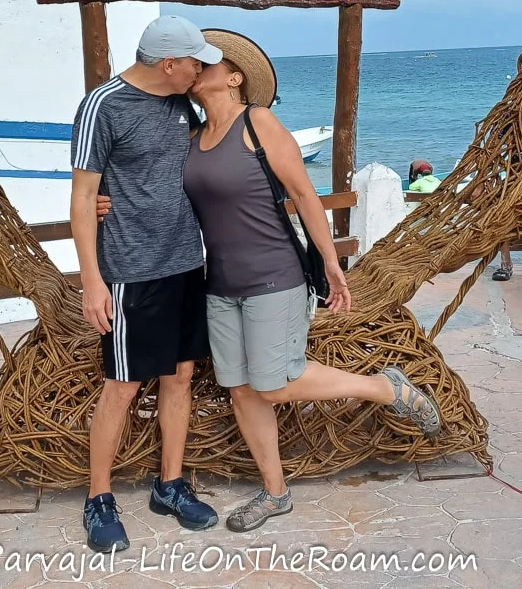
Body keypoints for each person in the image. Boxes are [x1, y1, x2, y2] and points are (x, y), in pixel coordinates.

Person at [183, 29, 442, 532]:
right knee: (241, 391)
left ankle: (383, 387)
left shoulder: (258, 124)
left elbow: (304, 195)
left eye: (211, 62)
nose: (200, 68)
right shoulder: (191, 140)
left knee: (276, 383)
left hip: (274, 275)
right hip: (220, 284)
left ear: (234, 78)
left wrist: (330, 263)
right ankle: (275, 493)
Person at [70, 16, 223, 554]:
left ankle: (170, 485)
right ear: (168, 65)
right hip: (132, 272)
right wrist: (93, 281)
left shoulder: (184, 102)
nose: (201, 69)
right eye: (194, 62)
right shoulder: (102, 106)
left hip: (186, 264)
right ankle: (99, 498)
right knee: (123, 385)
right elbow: (84, 199)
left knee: (179, 378)